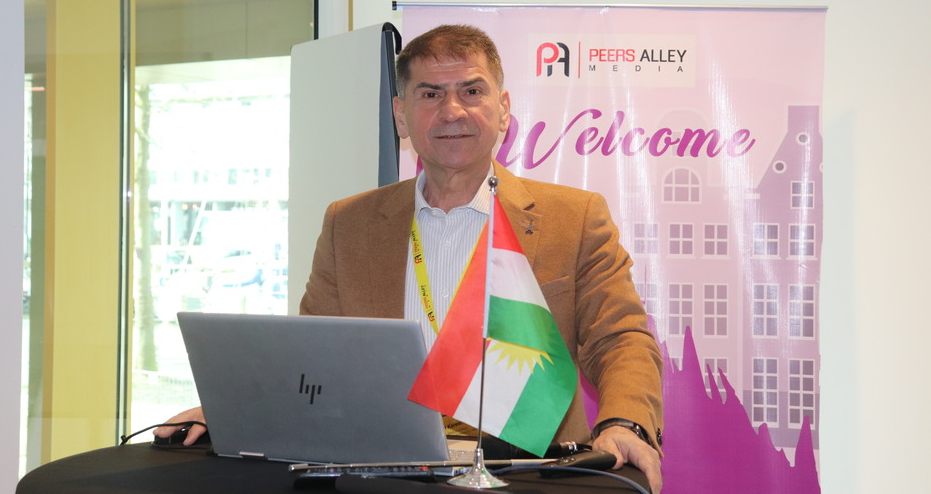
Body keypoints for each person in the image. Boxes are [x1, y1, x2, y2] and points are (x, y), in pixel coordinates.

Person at [157, 24, 664, 493]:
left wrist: (625, 422)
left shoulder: (573, 219)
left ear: (504, 108)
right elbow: (312, 360)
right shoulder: (348, 223)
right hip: (383, 472)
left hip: (527, 471)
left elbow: (620, 338)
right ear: (401, 115)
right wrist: (231, 411)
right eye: (430, 94)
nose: (452, 110)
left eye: (472, 91)